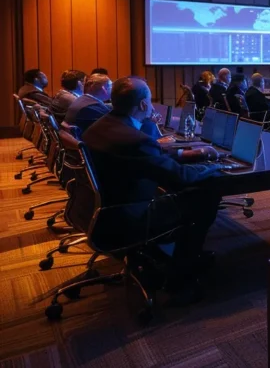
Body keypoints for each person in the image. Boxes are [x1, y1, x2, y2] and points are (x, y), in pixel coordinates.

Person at [81, 77, 225, 298]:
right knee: (206, 194)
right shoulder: (135, 140)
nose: (150, 104)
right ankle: (181, 277)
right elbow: (180, 177)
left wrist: (191, 153)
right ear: (142, 105)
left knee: (185, 190)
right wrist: (214, 167)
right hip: (129, 215)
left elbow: (148, 156)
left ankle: (173, 257)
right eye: (149, 100)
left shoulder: (100, 127)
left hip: (100, 209)